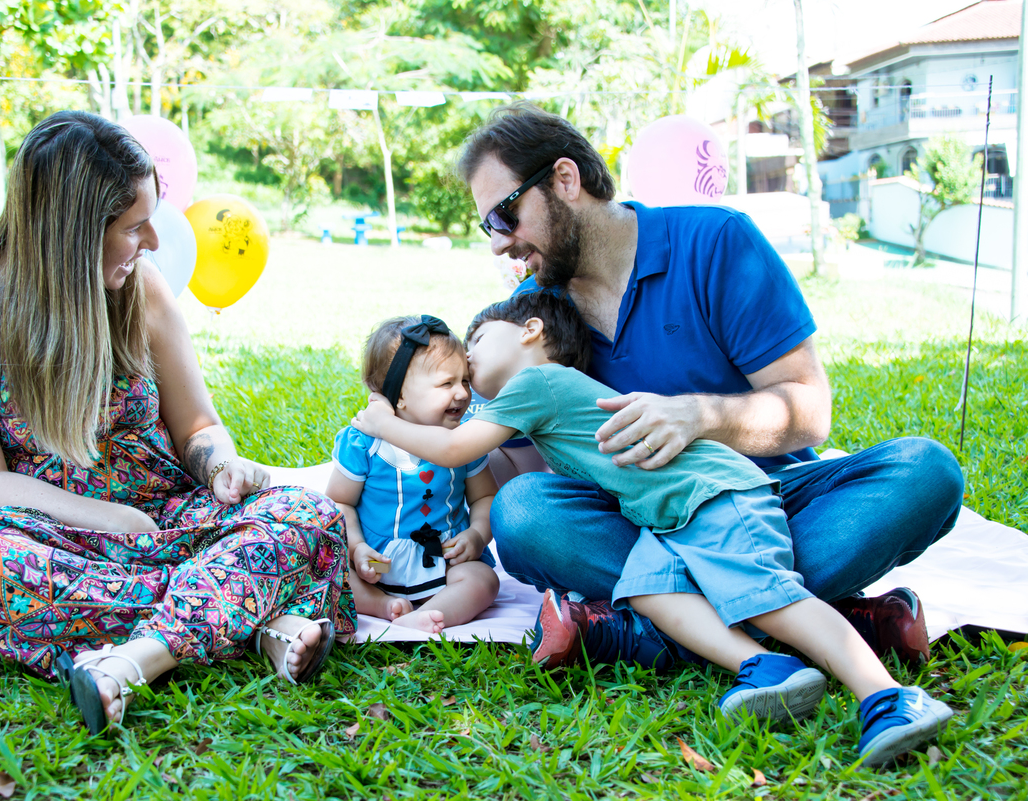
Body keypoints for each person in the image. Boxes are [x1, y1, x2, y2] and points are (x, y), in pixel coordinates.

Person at [455, 103, 963, 669]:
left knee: (926, 472)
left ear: (565, 180)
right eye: (489, 228)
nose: (499, 244)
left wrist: (698, 416)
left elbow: (810, 408)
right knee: (523, 514)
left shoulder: (717, 242)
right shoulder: (535, 317)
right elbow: (514, 462)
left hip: (770, 505)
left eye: (505, 217)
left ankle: (642, 634)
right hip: (644, 524)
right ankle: (824, 622)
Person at [351, 290, 952, 765]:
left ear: (530, 332)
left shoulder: (535, 383)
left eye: (476, 340)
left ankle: (888, 697)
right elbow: (491, 470)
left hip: (712, 495)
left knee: (765, 595)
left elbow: (456, 450)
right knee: (649, 591)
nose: (469, 357)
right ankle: (769, 666)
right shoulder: (535, 407)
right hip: (662, 518)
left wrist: (382, 422)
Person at [0, 111, 356, 736]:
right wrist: (109, 519)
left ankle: (132, 659)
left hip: (172, 517)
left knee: (309, 515)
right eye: (133, 226)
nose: (152, 242)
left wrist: (220, 466)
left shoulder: (139, 286)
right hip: (55, 534)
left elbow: (196, 424)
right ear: (71, 234)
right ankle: (249, 617)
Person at [326, 316, 500, 634]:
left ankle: (427, 614)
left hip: (444, 556)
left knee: (484, 581)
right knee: (337, 576)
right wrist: (357, 549)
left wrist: (476, 535)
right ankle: (382, 605)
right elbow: (339, 503)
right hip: (380, 562)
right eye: (447, 383)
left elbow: (485, 497)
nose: (462, 393)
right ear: (399, 396)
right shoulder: (365, 443)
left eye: (465, 380)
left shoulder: (464, 441)